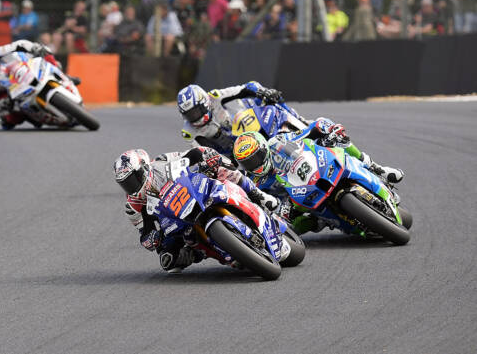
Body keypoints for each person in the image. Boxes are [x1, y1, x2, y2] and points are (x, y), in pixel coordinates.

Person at [113, 146, 279, 273]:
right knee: (168, 261)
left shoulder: (162, 161)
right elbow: (144, 232)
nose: (131, 186)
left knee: (225, 171)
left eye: (133, 179)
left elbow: (192, 154)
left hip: (193, 190)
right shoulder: (133, 206)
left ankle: (258, 195)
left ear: (144, 167)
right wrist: (151, 238)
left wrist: (207, 156)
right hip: (173, 220)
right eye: (125, 184)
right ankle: (204, 253)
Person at [232, 126, 404, 234]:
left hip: (316, 169)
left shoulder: (278, 142)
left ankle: (376, 168)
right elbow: (263, 203)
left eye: (256, 157)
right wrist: (279, 211)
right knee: (291, 228)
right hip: (298, 201)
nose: (255, 164)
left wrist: (327, 129)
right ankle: (321, 221)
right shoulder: (255, 181)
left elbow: (308, 130)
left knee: (340, 143)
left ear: (264, 148)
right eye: (248, 163)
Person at [177, 82, 285, 156]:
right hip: (231, 151)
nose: (194, 117)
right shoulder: (189, 133)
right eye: (189, 115)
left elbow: (248, 87)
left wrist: (263, 91)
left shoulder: (215, 96)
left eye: (196, 111)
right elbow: (202, 155)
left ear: (205, 102)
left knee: (270, 99)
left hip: (244, 125)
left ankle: (291, 118)